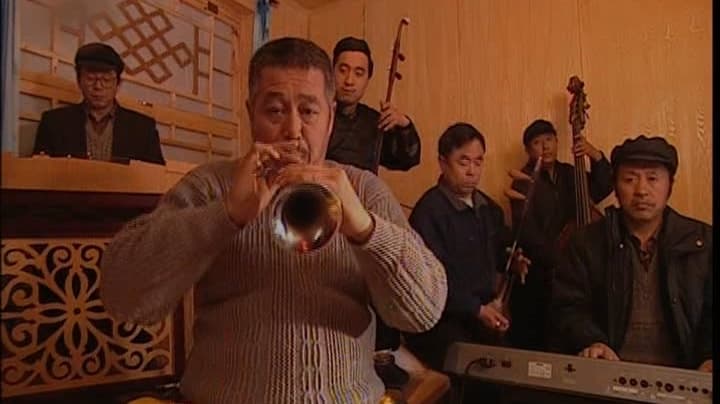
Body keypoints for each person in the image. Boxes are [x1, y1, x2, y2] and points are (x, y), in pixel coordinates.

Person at [99, 37, 447, 403]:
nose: (293, 131)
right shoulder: (210, 184)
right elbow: (123, 298)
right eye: (275, 111)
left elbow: (423, 312)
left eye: (309, 111)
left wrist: (364, 228)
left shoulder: (364, 189)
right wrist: (226, 214)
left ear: (330, 118)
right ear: (251, 113)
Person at [550, 135, 712, 372]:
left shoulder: (703, 241)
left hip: (684, 376)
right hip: (609, 375)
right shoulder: (586, 242)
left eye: (652, 178)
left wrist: (709, 356)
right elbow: (568, 306)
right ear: (615, 187)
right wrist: (593, 341)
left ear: (670, 185)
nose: (641, 190)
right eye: (629, 179)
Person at [404, 123, 530, 402]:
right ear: (442, 163)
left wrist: (514, 261)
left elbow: (500, 253)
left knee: (515, 371)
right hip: (441, 320)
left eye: (478, 161)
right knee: (476, 379)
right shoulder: (428, 212)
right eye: (463, 162)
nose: (472, 171)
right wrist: (476, 309)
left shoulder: (489, 208)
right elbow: (430, 281)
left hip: (483, 314)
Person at [505, 119, 612, 351]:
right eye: (537, 142)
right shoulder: (523, 182)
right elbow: (528, 235)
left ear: (556, 141)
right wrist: (564, 263)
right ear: (528, 150)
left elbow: (604, 186)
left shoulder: (570, 173)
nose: (545, 146)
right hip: (541, 276)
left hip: (574, 273)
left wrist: (594, 154)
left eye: (549, 139)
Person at [33, 42, 165, 165]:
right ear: (79, 81)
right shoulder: (53, 122)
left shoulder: (143, 128)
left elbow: (156, 176)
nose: (98, 86)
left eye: (106, 80)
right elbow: (39, 172)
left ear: (118, 84)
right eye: (90, 79)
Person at [326, 36, 421, 175]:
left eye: (358, 73)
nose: (349, 80)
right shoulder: (314, 114)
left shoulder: (373, 121)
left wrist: (404, 126)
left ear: (368, 79)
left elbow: (407, 161)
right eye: (343, 70)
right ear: (331, 72)